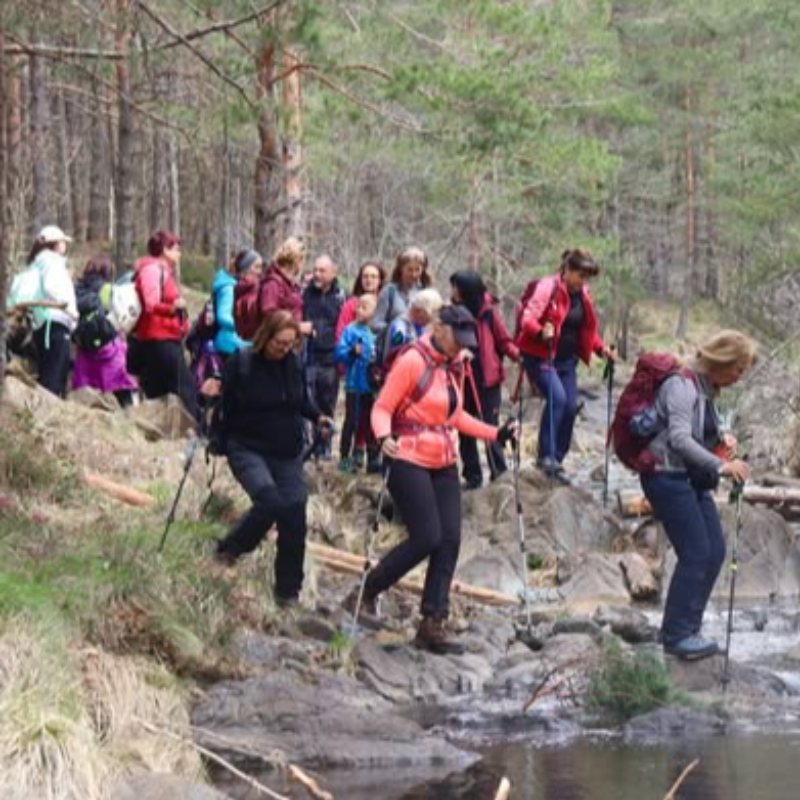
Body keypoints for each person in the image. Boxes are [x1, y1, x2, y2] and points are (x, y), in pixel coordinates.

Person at [343, 305, 517, 655]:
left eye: (465, 341)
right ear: (438, 327)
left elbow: (456, 417)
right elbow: (382, 408)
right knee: (426, 537)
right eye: (457, 338)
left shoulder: (453, 367)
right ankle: (365, 592)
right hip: (406, 455)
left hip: (443, 459)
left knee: (450, 539)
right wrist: (382, 437)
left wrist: (495, 434)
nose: (460, 347)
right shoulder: (412, 360)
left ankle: (432, 623)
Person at [641, 330, 754, 660]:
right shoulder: (681, 386)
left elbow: (699, 436)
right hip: (665, 476)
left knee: (714, 551)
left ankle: (688, 627)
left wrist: (721, 442)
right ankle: (676, 635)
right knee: (695, 552)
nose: (740, 376)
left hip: (689, 478)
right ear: (722, 362)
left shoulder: (706, 390)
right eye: (739, 369)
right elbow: (678, 439)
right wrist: (721, 466)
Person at [214, 311, 333, 607]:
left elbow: (300, 400)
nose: (284, 349)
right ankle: (229, 550)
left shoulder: (292, 363)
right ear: (266, 337)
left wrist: (318, 417)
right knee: (270, 503)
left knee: (294, 512)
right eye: (279, 343)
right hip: (246, 447)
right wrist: (209, 392)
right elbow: (218, 397)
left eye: (290, 344)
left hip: (286, 452)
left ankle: (288, 592)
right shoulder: (241, 363)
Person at [516, 248, 615, 483]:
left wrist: (602, 349)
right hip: (541, 356)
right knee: (558, 399)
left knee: (570, 407)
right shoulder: (547, 288)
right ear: (567, 270)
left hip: (566, 361)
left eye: (587, 278)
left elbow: (586, 330)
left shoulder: (583, 294)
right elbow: (527, 318)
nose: (583, 282)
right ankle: (546, 457)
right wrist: (541, 332)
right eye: (581, 276)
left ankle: (557, 459)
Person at [450, 270, 520, 490]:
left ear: (466, 290)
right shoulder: (452, 312)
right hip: (462, 377)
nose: (452, 291)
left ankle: (498, 471)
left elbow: (503, 341)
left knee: (490, 426)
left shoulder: (488, 313)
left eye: (456, 287)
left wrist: (518, 355)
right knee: (465, 428)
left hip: (487, 380)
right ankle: (473, 476)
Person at [129, 230, 198, 421]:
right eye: (176, 249)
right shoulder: (152, 270)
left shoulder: (161, 271)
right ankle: (198, 435)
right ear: (165, 250)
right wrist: (173, 307)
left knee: (159, 390)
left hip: (162, 339)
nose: (179, 253)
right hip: (159, 340)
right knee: (186, 388)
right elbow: (151, 303)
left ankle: (161, 430)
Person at [72, 254, 138, 407]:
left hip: (84, 347)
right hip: (108, 345)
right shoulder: (109, 290)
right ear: (107, 272)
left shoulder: (75, 289)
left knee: (84, 389)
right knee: (120, 385)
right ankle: (128, 418)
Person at [303, 254, 347, 458]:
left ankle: (324, 446)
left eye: (322, 271)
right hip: (308, 355)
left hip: (330, 358)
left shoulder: (341, 296)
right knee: (307, 401)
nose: (317, 275)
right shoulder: (305, 293)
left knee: (327, 403)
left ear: (333, 273)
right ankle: (307, 446)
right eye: (315, 270)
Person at [26, 225, 78, 397]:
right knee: (54, 377)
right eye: (63, 241)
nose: (65, 245)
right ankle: (50, 417)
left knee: (48, 373)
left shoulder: (38, 263)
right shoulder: (51, 262)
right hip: (54, 323)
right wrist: (71, 311)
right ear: (55, 244)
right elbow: (51, 287)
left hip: (42, 324)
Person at [335, 294, 379, 474]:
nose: (358, 309)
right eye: (358, 306)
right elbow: (339, 354)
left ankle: (371, 459)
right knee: (351, 422)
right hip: (354, 385)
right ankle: (344, 459)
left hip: (370, 387)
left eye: (364, 307)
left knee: (370, 423)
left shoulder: (375, 333)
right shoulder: (350, 330)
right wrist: (352, 352)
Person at [372, 246, 432, 337]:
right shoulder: (389, 292)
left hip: (417, 346)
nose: (414, 274)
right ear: (401, 269)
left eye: (417, 270)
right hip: (393, 345)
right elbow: (375, 324)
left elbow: (430, 325)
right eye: (409, 269)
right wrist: (396, 329)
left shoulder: (424, 293)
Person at [213, 249, 262, 357]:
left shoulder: (245, 288)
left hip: (240, 344)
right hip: (229, 344)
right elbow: (223, 317)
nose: (259, 271)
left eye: (260, 267)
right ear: (245, 269)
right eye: (256, 267)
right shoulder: (229, 289)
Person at [382, 288, 443, 364]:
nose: (430, 320)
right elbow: (395, 355)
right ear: (418, 310)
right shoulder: (400, 328)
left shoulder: (420, 326)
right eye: (430, 315)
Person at [335, 260, 386, 342]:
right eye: (365, 276)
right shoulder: (351, 304)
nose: (369, 280)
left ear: (380, 280)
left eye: (373, 276)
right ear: (360, 279)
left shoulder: (385, 302)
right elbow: (340, 333)